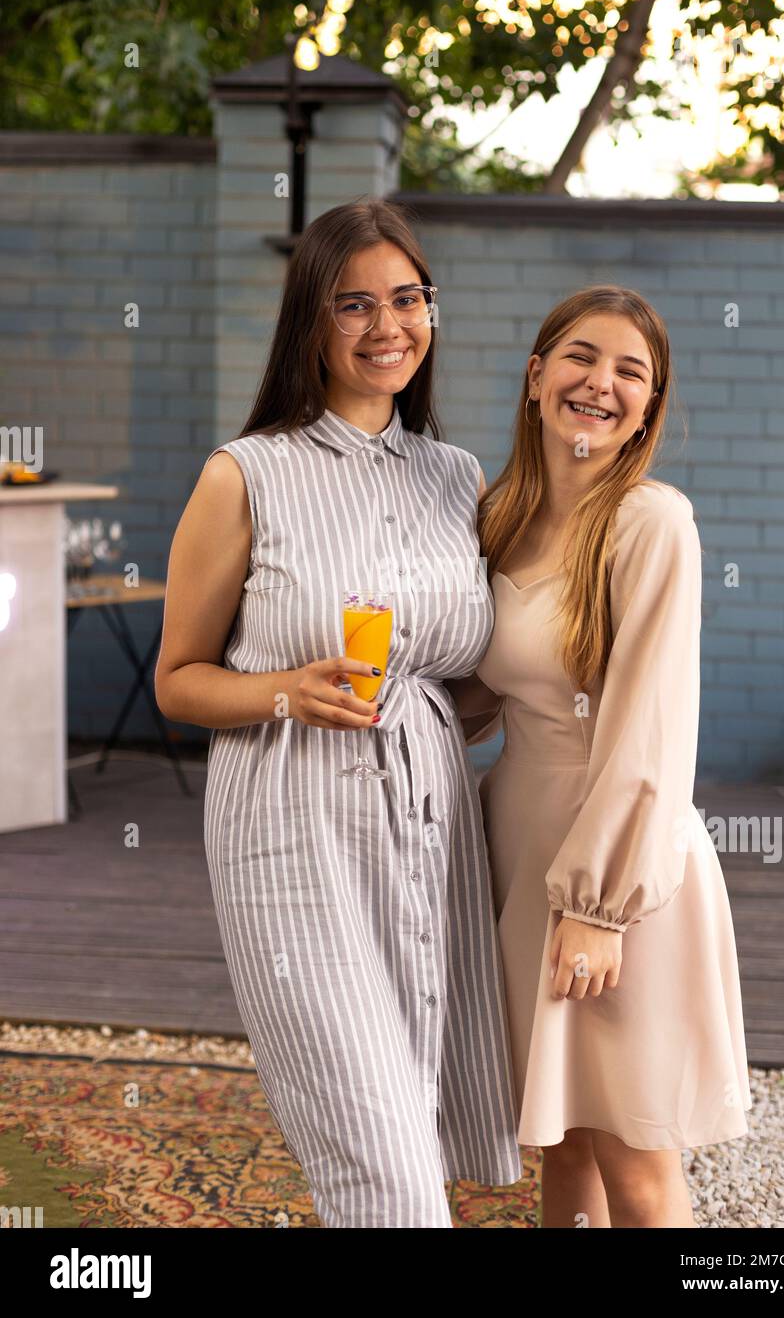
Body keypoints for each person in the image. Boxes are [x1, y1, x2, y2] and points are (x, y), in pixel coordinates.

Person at [154, 197, 522, 1228]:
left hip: (428, 830)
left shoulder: (458, 480)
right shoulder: (247, 475)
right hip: (291, 824)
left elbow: (465, 687)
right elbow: (178, 677)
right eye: (352, 304)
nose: (386, 326)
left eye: (407, 299)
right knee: (384, 1168)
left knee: (413, 1121)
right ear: (308, 321)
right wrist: (285, 690)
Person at [446, 285, 752, 1229]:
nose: (602, 383)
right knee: (561, 1143)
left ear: (648, 408)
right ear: (537, 376)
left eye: (632, 372)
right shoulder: (499, 515)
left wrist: (596, 908)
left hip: (617, 870)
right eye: (582, 357)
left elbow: (651, 726)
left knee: (635, 1161)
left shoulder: (652, 522)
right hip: (521, 844)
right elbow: (487, 689)